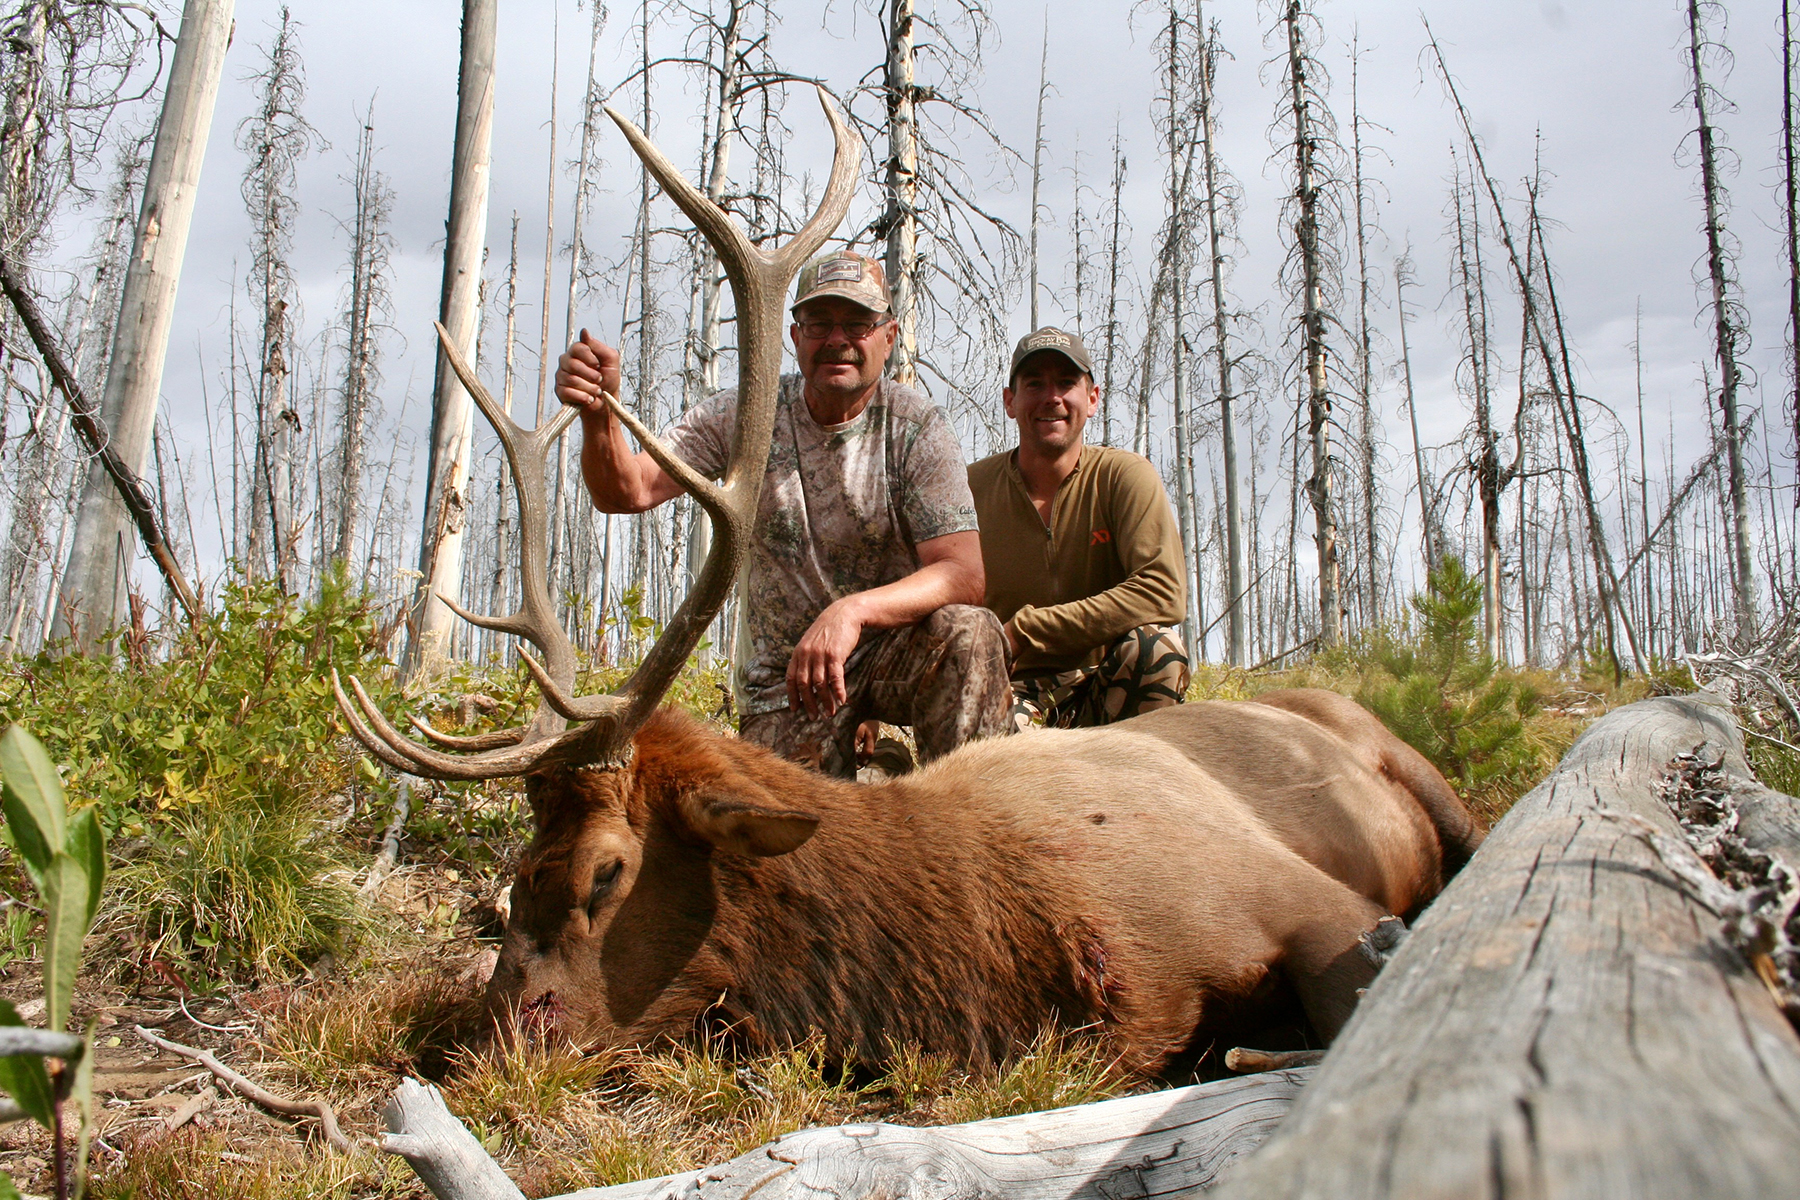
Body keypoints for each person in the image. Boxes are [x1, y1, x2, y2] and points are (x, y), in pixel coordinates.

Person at [554, 251, 1011, 777]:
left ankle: (972, 830)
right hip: (790, 681)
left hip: (891, 651)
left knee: (969, 634)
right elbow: (625, 491)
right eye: (820, 323)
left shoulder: (916, 425)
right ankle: (880, 768)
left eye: (858, 323)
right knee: (785, 846)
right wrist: (597, 415)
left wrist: (850, 613)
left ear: (889, 336)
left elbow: (963, 572)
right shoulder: (745, 412)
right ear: (796, 337)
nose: (837, 339)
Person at [967, 326, 1190, 729]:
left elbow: (1164, 591)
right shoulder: (970, 489)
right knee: (994, 735)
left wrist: (1029, 629)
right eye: (1034, 384)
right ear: (1010, 401)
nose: (1052, 397)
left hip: (1107, 681)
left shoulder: (1124, 476)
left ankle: (1138, 786)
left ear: (1092, 399)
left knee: (1156, 649)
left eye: (1066, 383)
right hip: (1012, 689)